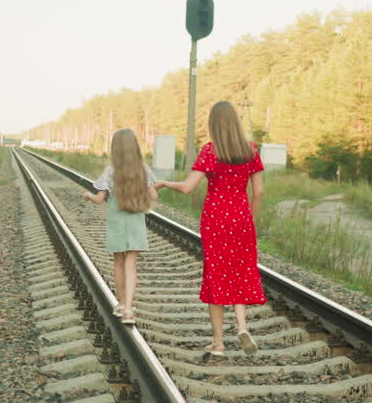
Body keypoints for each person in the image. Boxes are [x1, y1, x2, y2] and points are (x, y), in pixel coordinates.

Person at [156, 101, 266, 356]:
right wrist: (250, 218)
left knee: (217, 275)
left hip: (216, 219)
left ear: (214, 124)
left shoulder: (210, 151)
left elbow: (187, 187)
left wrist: (163, 183)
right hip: (241, 217)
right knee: (241, 271)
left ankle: (218, 343)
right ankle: (241, 325)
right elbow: (259, 191)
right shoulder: (251, 150)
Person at [82, 128, 158, 325]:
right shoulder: (143, 169)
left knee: (118, 264)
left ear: (115, 148)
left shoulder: (111, 170)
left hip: (117, 220)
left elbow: (100, 199)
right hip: (135, 221)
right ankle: (129, 310)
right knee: (131, 265)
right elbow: (153, 196)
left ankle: (122, 303)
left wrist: (88, 196)